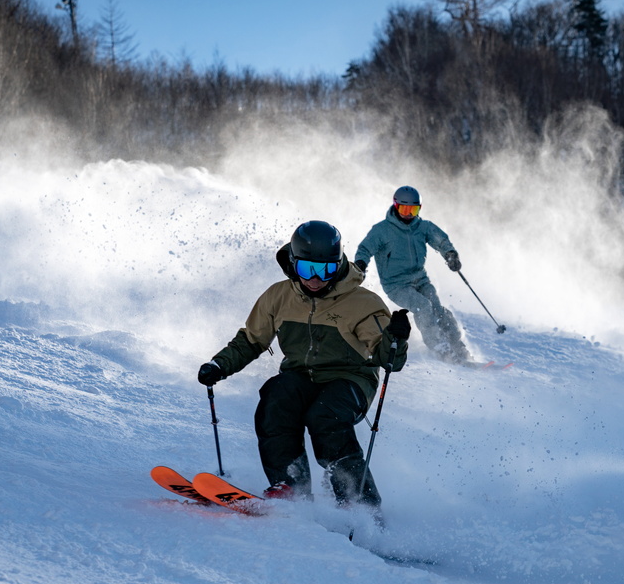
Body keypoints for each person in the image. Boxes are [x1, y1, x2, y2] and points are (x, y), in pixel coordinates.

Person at [198, 220, 410, 510]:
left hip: (351, 378)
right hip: (300, 375)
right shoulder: (279, 296)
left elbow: (388, 361)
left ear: (339, 265)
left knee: (326, 416)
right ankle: (290, 484)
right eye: (307, 269)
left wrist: (395, 340)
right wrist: (219, 365)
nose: (315, 279)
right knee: (276, 397)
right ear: (293, 263)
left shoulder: (363, 303)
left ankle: (359, 502)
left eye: (326, 270)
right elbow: (251, 340)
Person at [353, 185, 471, 364]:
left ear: (419, 209)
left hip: (420, 279)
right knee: (423, 306)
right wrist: (361, 264)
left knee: (437, 308)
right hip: (396, 285)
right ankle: (439, 347)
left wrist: (450, 254)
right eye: (403, 208)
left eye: (413, 209)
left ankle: (457, 346)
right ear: (395, 206)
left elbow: (441, 240)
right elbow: (365, 248)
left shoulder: (423, 227)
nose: (408, 214)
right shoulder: (382, 230)